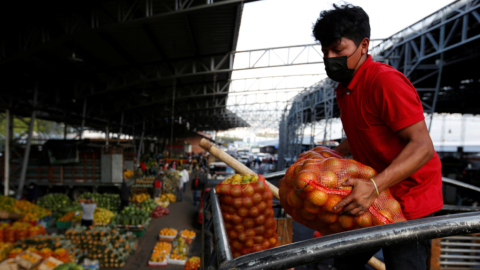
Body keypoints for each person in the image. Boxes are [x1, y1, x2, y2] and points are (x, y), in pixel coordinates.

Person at [312, 4, 443, 270]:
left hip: (409, 198)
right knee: (343, 262)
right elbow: (364, 131)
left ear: (363, 46)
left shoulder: (384, 82)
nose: (329, 57)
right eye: (325, 51)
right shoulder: (345, 88)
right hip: (377, 193)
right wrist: (333, 154)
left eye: (338, 50)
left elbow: (423, 147)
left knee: (403, 264)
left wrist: (373, 187)